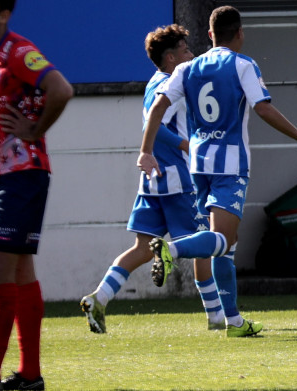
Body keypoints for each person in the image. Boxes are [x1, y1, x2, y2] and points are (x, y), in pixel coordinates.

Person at [137, 6, 297, 337]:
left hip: (197, 165)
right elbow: (262, 108)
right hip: (230, 165)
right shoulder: (243, 65)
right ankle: (171, 250)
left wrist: (145, 151)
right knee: (223, 240)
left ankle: (232, 320)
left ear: (210, 35)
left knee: (227, 243)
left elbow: (156, 110)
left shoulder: (186, 69)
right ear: (239, 33)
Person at [80, 24, 227, 334]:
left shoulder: (153, 83)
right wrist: (186, 145)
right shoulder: (171, 83)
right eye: (186, 50)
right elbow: (155, 125)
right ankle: (217, 318)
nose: (191, 54)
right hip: (177, 179)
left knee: (142, 248)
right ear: (172, 57)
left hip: (153, 181)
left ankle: (99, 298)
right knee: (202, 245)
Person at [0, 0, 73, 391]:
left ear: (4, 15)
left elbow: (61, 89)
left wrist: (33, 131)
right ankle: (30, 376)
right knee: (21, 269)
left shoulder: (18, 51)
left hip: (22, 175)